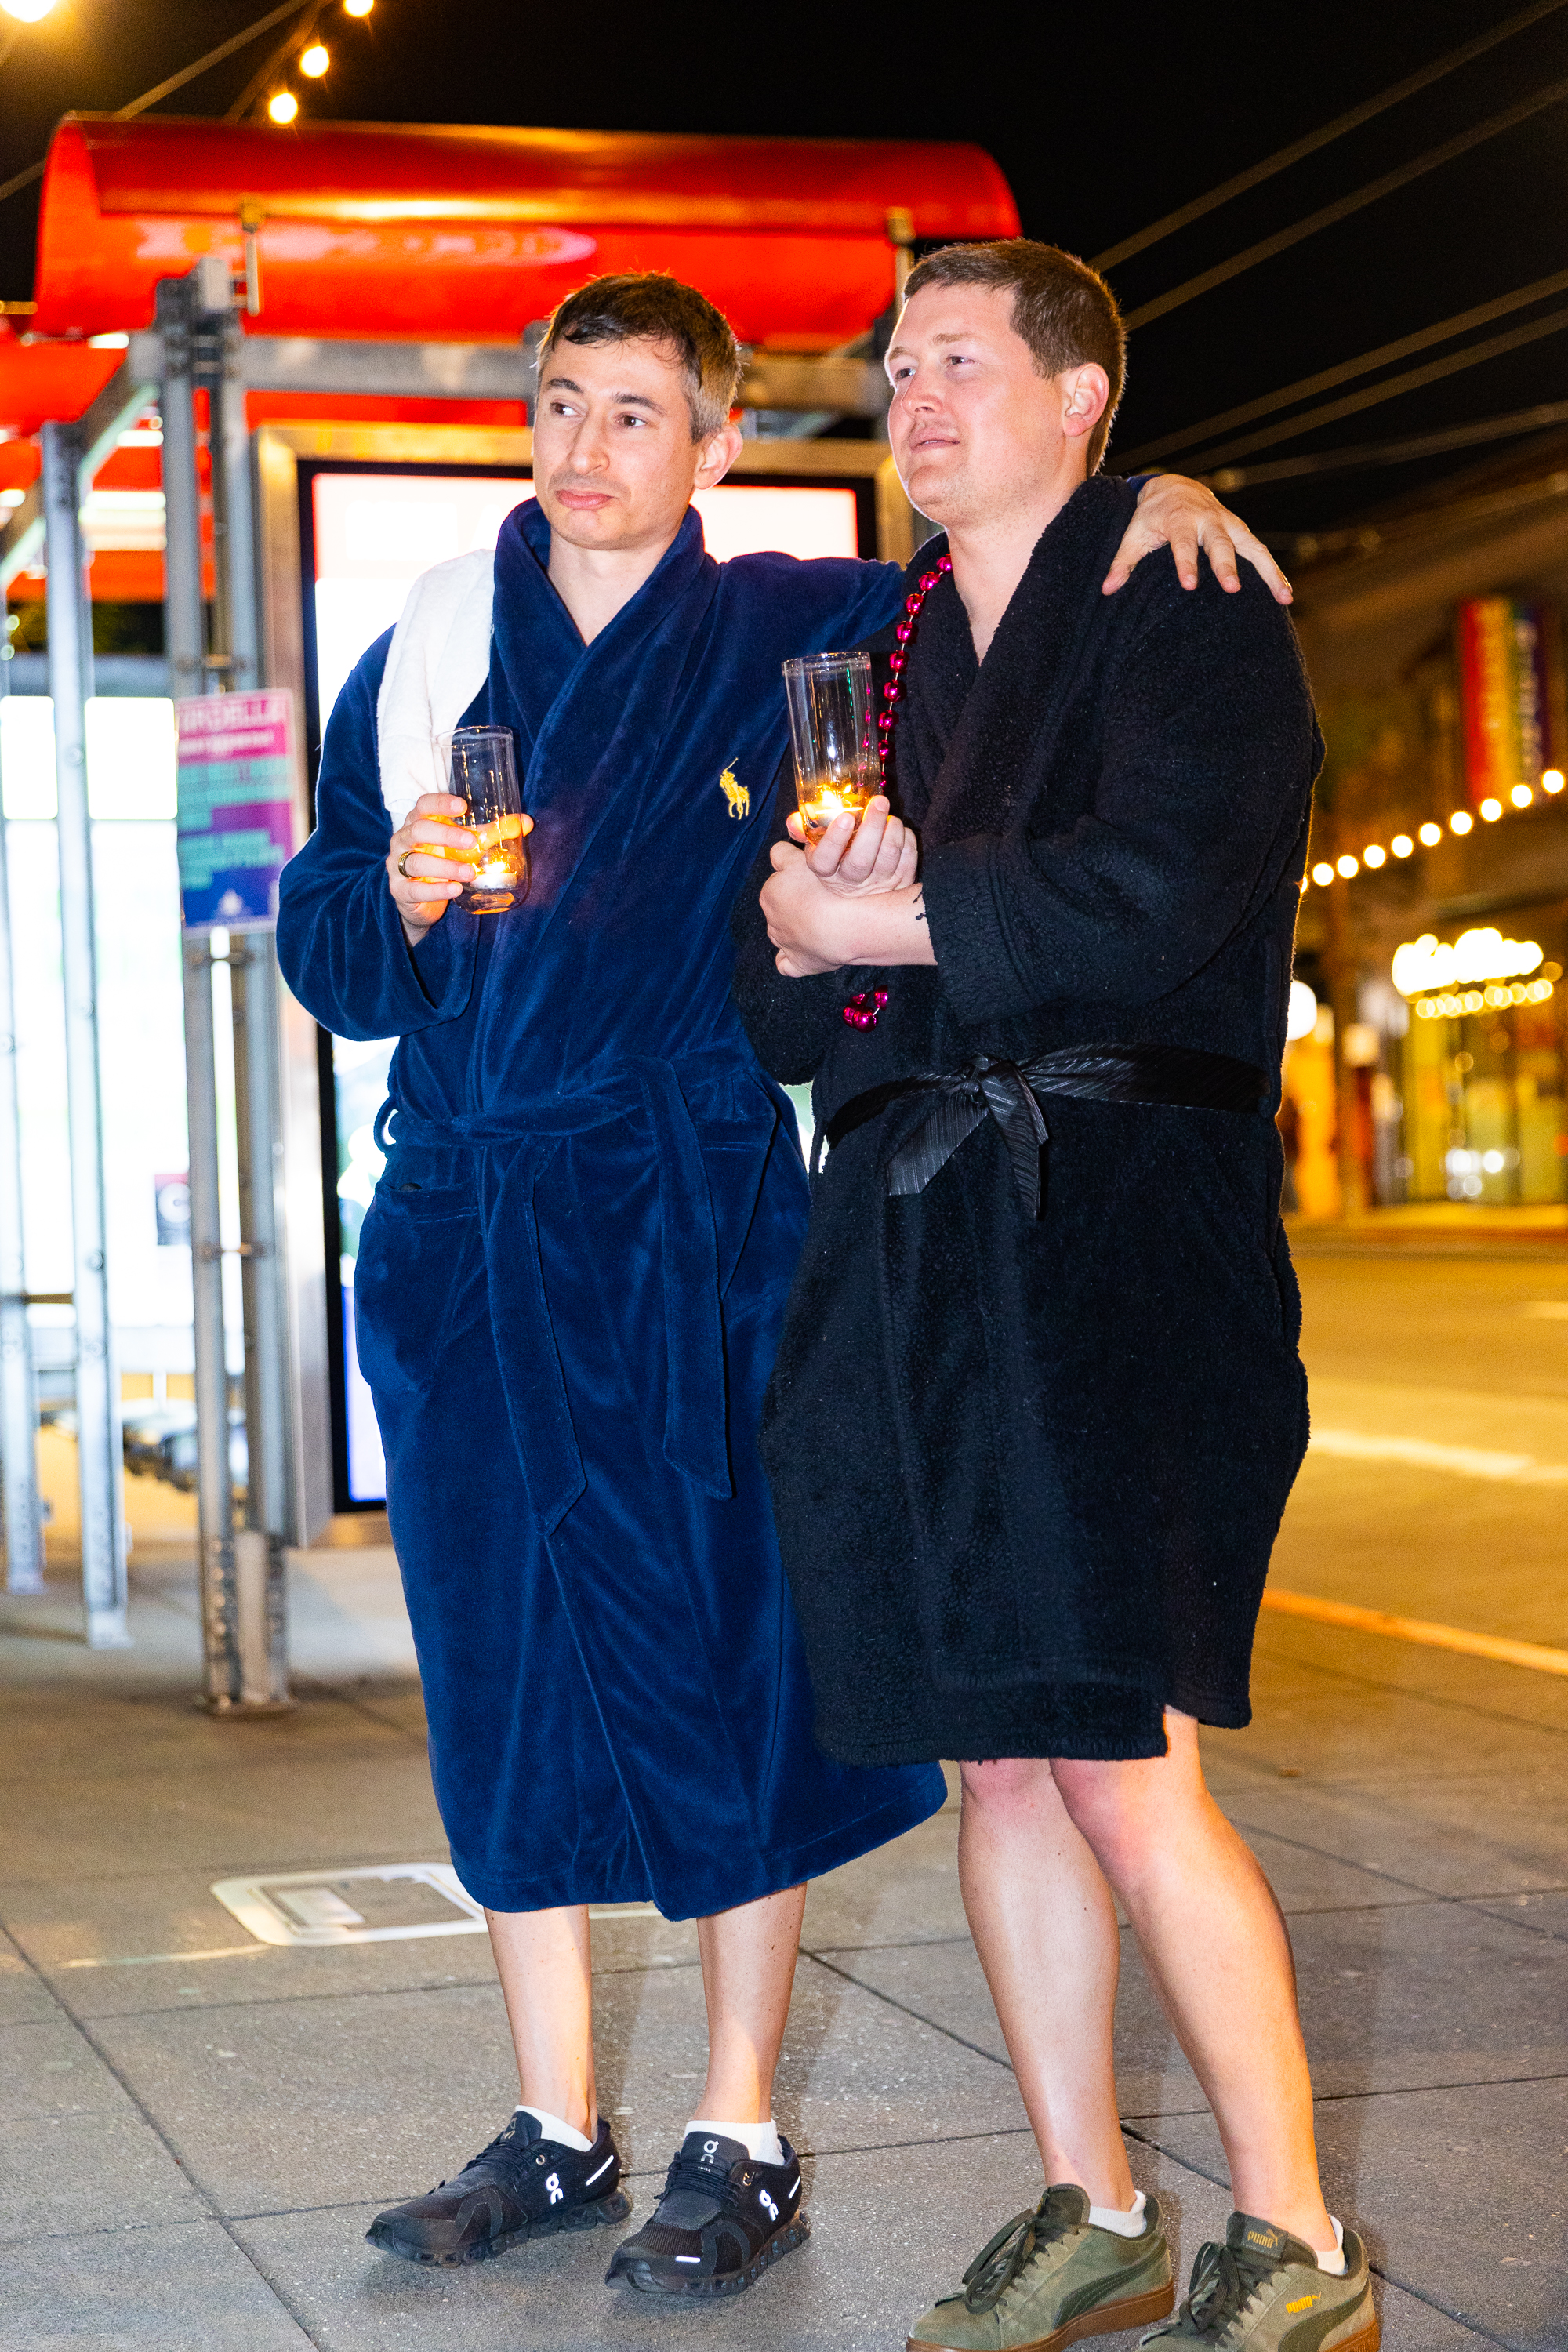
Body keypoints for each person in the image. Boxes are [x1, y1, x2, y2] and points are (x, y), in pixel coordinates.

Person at [276, 267, 1289, 2306]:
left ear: (722, 446)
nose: (587, 448)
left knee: (729, 1665)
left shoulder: (788, 628)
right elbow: (328, 942)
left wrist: (1154, 486)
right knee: (499, 1667)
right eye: (562, 406)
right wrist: (372, 902)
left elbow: (1005, 549)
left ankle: (739, 2124)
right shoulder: (416, 652)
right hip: (470, 1226)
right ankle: (558, 2121)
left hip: (692, 1223)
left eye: (640, 413)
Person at [734, 240, 1378, 2352]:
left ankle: (1294, 2235)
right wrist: (805, 945)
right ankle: (1093, 2199)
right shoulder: (891, 643)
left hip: (1120, 1226)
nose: (914, 395)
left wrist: (893, 919)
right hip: (918, 1235)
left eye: (961, 361)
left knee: (1121, 1747)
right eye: (895, 365)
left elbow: (1158, 895)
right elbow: (791, 981)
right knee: (991, 1761)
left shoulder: (1186, 601)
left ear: (1087, 400)